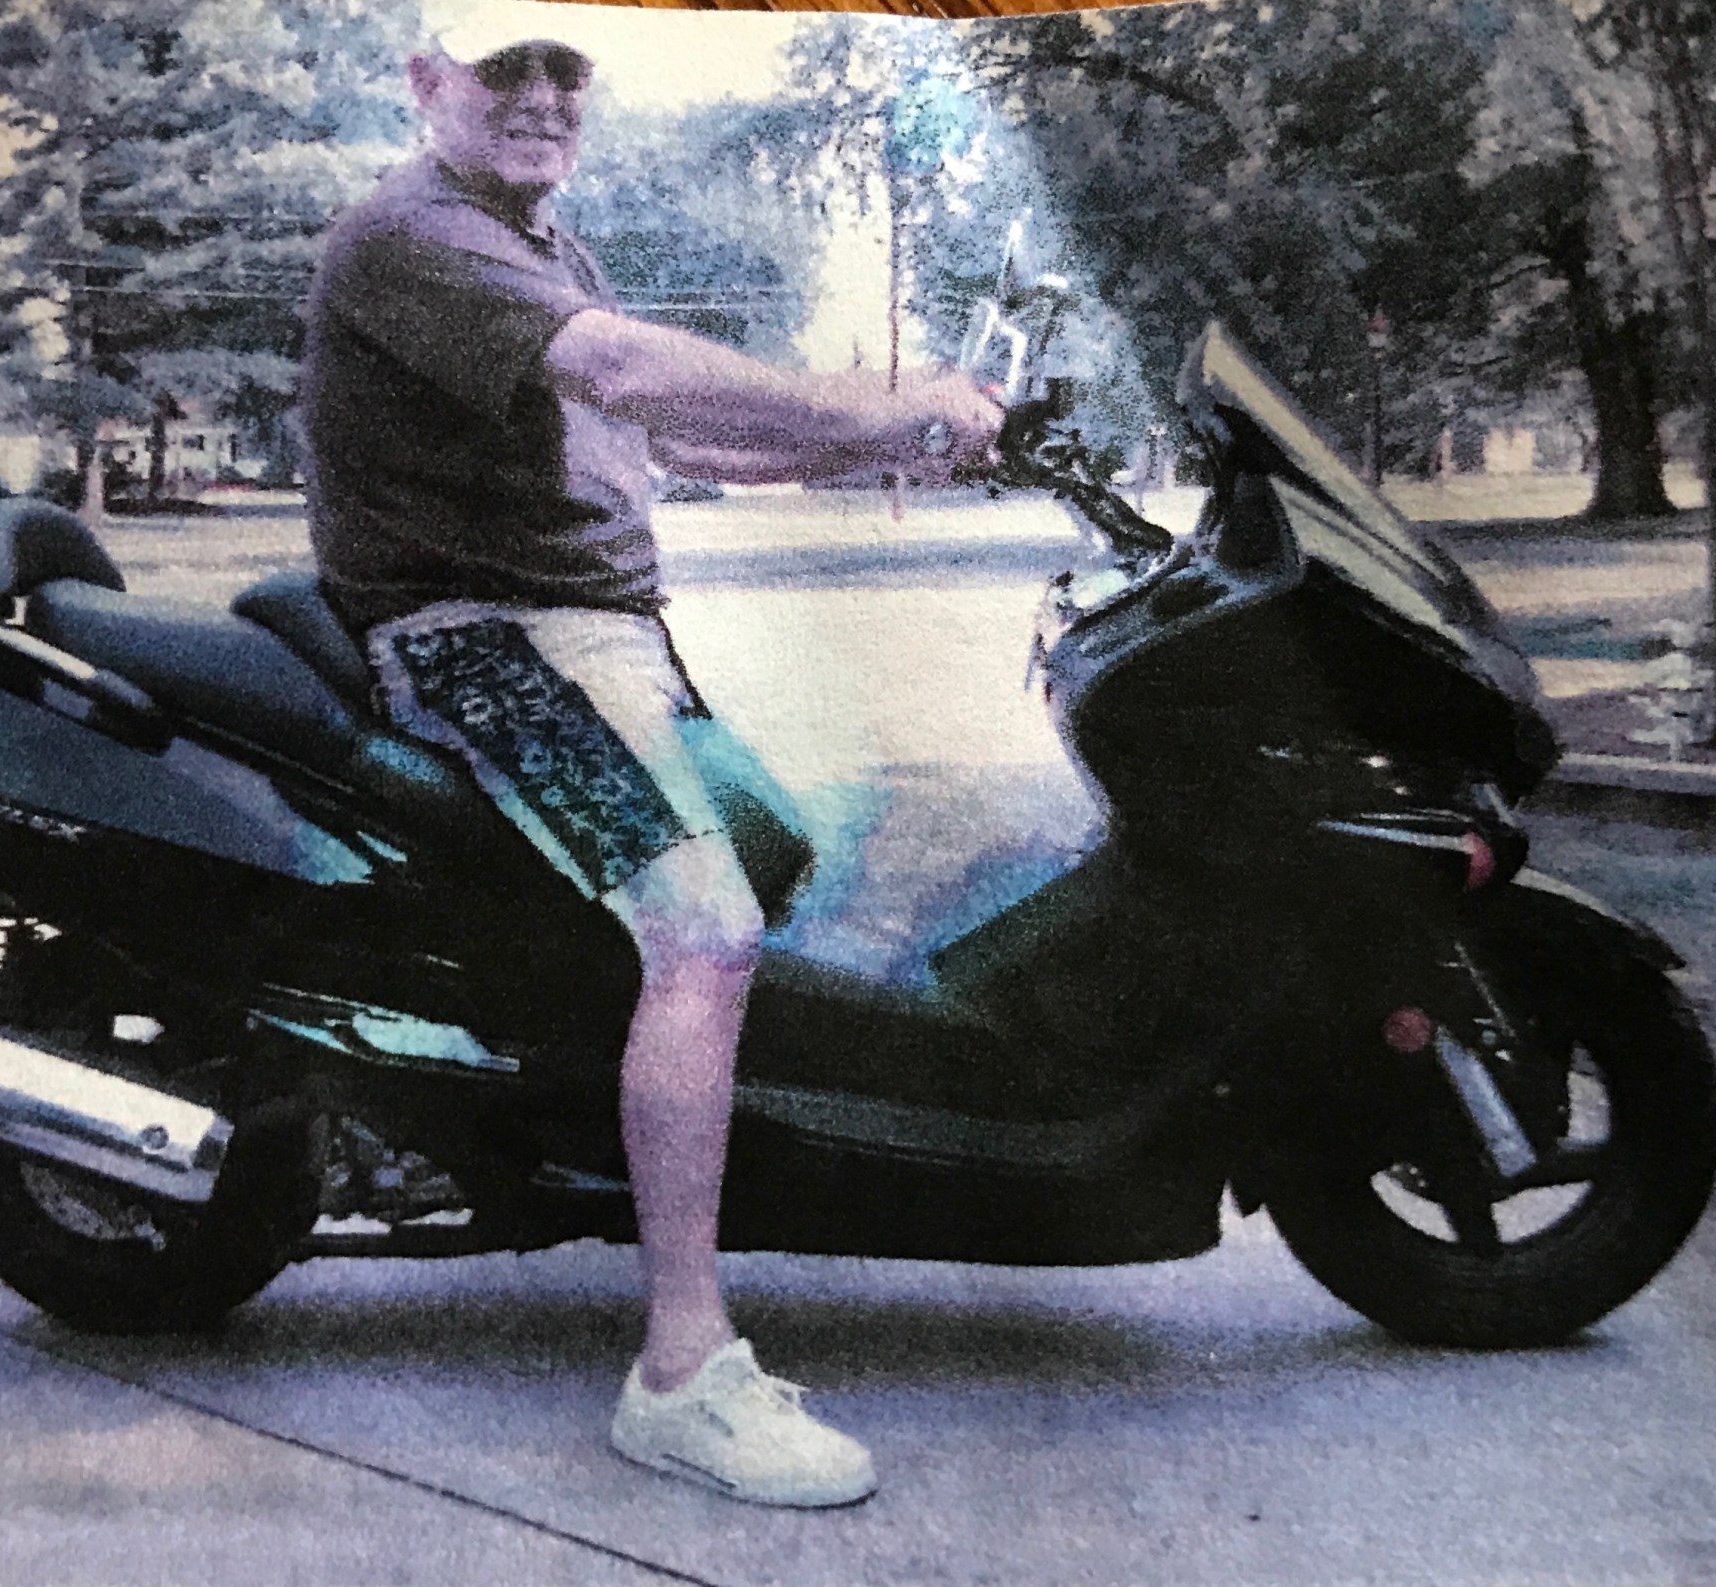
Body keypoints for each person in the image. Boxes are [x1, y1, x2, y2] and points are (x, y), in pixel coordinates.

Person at [299, 7, 1002, 1508]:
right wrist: (885, 403)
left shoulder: (539, 244)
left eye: (564, 67)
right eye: (503, 66)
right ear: (428, 83)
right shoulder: (412, 235)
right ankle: (683, 1373)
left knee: (772, 867)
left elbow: (679, 445)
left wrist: (889, 446)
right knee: (706, 933)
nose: (540, 94)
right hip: (485, 644)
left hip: (595, 640)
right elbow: (623, 371)